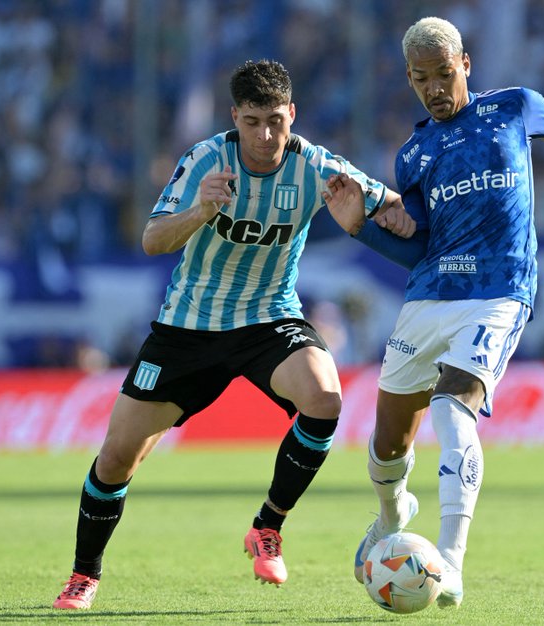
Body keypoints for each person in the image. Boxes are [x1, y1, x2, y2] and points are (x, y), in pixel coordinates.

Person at [322, 16, 544, 609]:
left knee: (452, 409)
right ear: (409, 79)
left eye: (444, 74)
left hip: (499, 291)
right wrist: (360, 227)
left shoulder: (514, 107)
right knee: (387, 445)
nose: (435, 88)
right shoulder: (412, 154)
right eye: (421, 79)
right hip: (429, 296)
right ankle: (392, 513)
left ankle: (450, 563)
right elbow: (418, 245)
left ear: (465, 64)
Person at [52, 59, 414, 610]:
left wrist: (392, 216)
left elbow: (389, 202)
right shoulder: (206, 160)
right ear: (234, 118)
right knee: (117, 459)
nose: (265, 136)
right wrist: (200, 209)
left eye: (275, 121)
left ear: (292, 114)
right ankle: (84, 575)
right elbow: (152, 240)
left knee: (324, 399)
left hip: (269, 319)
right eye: (252, 122)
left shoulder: (316, 166)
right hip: (188, 328)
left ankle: (268, 525)